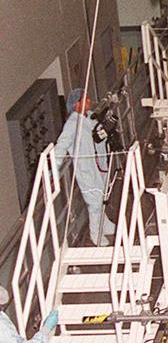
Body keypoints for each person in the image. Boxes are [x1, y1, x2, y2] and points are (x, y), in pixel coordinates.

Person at [54, 88, 115, 245]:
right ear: (76, 104)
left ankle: (105, 223)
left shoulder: (88, 118)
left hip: (99, 164)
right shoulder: (71, 125)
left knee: (102, 195)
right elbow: (61, 147)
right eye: (86, 100)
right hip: (87, 169)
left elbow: (96, 132)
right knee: (94, 202)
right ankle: (96, 234)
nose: (89, 102)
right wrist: (52, 171)